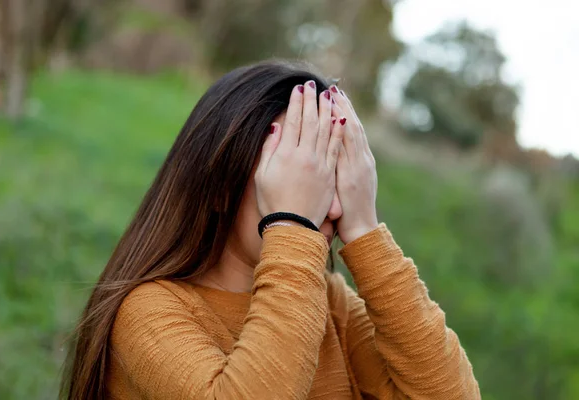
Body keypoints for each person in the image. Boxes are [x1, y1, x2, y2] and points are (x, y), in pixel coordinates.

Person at [61, 60, 480, 399]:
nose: (326, 204)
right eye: (295, 172)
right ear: (221, 183)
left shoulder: (330, 303)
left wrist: (365, 229)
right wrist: (293, 224)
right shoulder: (148, 312)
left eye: (331, 175)